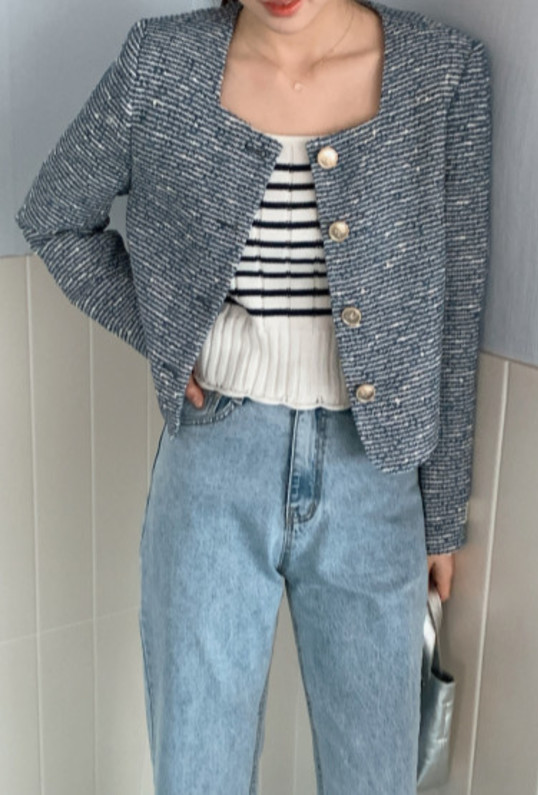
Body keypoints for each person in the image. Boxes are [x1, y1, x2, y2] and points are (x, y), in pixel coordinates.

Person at [14, 0, 492, 791]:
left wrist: (441, 515)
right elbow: (56, 216)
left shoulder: (442, 73)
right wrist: (167, 336)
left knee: (375, 777)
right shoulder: (160, 63)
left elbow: (457, 300)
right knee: (196, 769)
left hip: (375, 481)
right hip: (213, 462)